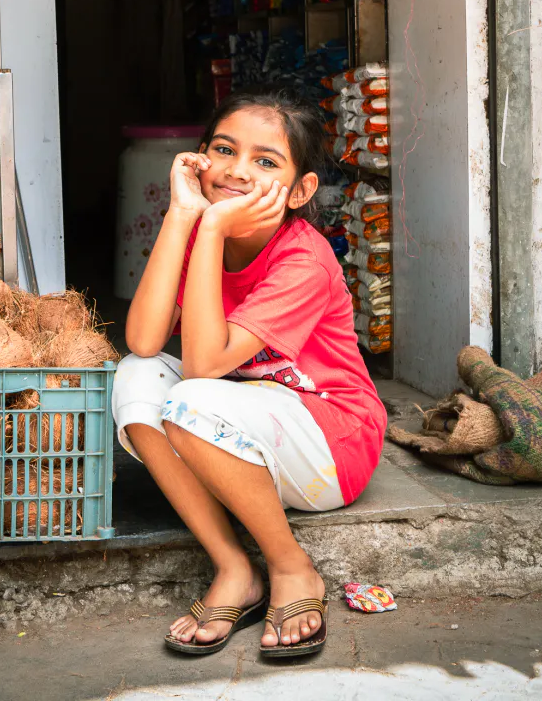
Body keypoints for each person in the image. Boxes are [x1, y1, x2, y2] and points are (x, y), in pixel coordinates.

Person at [112, 90, 387, 658]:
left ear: (300, 190)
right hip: (236, 440)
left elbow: (204, 366)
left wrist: (211, 230)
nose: (237, 171)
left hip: (330, 446)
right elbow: (143, 339)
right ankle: (235, 566)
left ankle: (291, 567)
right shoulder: (198, 229)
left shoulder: (303, 260)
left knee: (191, 396)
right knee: (136, 375)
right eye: (223, 150)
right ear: (199, 159)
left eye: (266, 162)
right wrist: (184, 215)